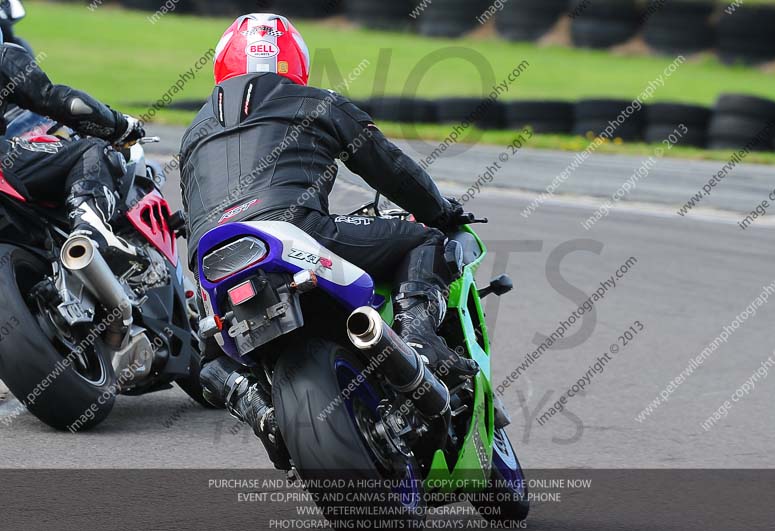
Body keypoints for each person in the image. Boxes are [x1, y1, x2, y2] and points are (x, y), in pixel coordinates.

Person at [181, 13, 478, 469]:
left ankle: (258, 408)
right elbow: (389, 166)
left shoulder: (193, 133)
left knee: (210, 356)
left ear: (224, 67)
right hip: (294, 232)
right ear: (295, 63)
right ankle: (418, 342)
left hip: (214, 261)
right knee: (423, 238)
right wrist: (440, 210)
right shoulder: (316, 101)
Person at [0, 36, 145, 253]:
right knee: (90, 151)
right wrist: (119, 125)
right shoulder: (4, 55)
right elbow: (71, 105)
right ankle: (89, 234)